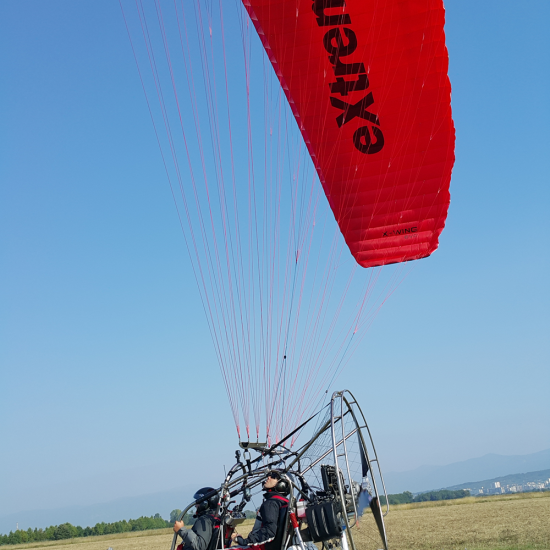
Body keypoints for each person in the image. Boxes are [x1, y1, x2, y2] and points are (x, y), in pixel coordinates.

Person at [231, 470, 289, 549]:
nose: (268, 477)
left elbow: (270, 532)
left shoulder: (271, 503)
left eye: (273, 476)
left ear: (282, 484)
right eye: (269, 475)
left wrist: (244, 541)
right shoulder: (285, 502)